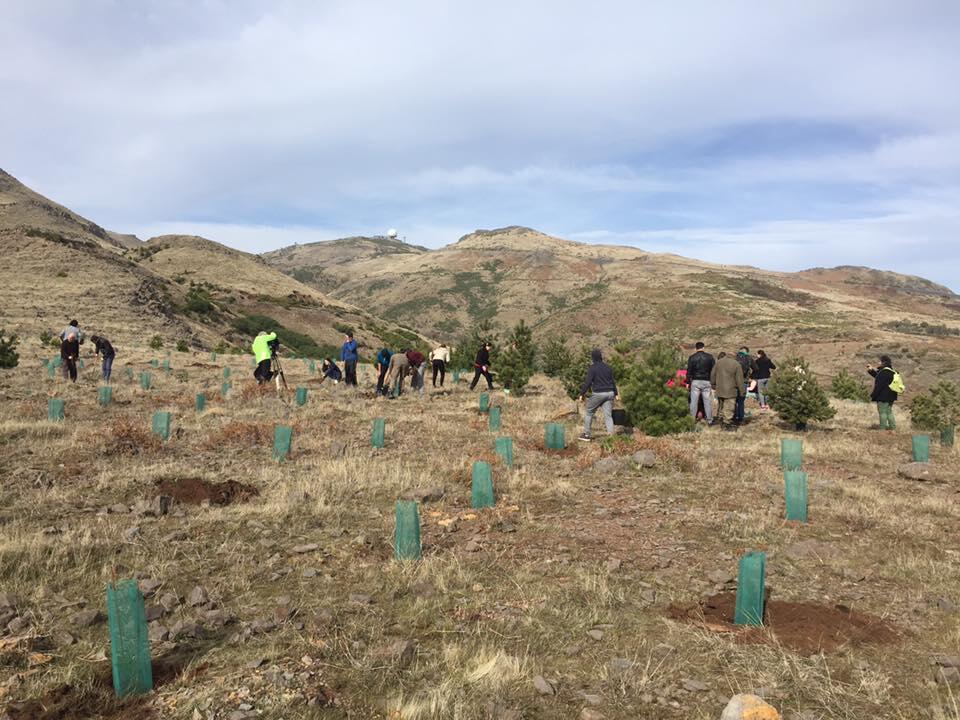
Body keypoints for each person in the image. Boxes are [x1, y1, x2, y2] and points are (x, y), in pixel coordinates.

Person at [578, 349, 619, 441]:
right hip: (610, 393)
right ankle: (611, 437)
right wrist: (616, 394)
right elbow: (612, 381)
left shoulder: (592, 368)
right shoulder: (608, 367)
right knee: (608, 415)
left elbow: (588, 382)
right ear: (601, 357)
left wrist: (582, 394)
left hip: (599, 394)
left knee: (589, 412)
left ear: (593, 358)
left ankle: (586, 435)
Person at [711, 351, 744, 429]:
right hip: (731, 390)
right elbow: (739, 380)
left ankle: (721, 421)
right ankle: (727, 424)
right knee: (729, 408)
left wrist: (713, 384)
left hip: (720, 389)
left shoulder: (718, 362)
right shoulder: (736, 364)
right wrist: (742, 391)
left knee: (721, 406)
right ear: (734, 356)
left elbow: (713, 374)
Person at [686, 342, 715, 424]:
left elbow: (689, 371)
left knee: (693, 402)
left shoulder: (692, 357)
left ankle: (692, 419)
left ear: (696, 348)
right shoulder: (710, 357)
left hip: (695, 381)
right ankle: (709, 420)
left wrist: (688, 382)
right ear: (703, 347)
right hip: (707, 381)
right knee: (707, 401)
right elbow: (713, 370)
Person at [868, 355, 900, 430]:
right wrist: (871, 370)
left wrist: (873, 395)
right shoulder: (891, 371)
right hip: (891, 396)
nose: (878, 362)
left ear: (883, 363)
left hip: (883, 396)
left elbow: (879, 385)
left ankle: (882, 428)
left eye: (879, 361)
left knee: (882, 412)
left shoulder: (883, 372)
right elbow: (878, 376)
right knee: (889, 412)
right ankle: (893, 427)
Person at [734, 347, 757, 423]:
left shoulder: (734, 357)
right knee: (741, 400)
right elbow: (756, 368)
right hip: (744, 381)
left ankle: (734, 416)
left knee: (733, 399)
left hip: (734, 382)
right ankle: (741, 417)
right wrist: (751, 376)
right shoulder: (749, 358)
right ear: (747, 351)